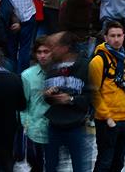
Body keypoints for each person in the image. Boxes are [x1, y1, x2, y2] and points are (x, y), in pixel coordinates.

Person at [89, 22, 125, 172]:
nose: (116, 39)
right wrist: (107, 117)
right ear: (106, 37)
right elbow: (94, 92)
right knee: (104, 162)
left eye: (119, 35)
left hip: (124, 119)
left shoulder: (124, 59)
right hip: (107, 122)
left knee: (118, 163)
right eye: (112, 36)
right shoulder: (98, 61)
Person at [43, 32, 92, 172]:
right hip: (54, 126)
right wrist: (47, 95)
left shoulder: (84, 66)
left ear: (64, 48)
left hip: (76, 126)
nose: (50, 50)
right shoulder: (51, 66)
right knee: (51, 167)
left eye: (53, 46)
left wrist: (70, 99)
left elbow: (90, 98)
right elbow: (46, 96)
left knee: (80, 168)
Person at [22, 37, 52, 172]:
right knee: (36, 165)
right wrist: (27, 124)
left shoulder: (60, 72)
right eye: (39, 52)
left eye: (46, 51)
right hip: (35, 129)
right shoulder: (27, 76)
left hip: (55, 128)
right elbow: (23, 103)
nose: (43, 55)